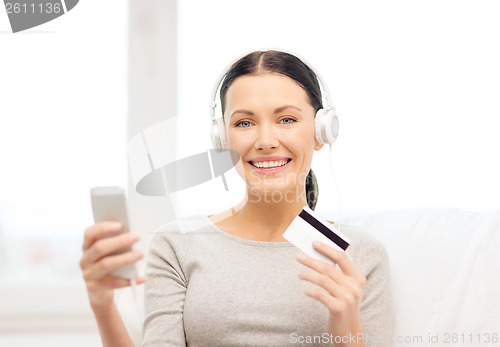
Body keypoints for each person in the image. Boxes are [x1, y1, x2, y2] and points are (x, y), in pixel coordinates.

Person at [80, 50, 393, 347]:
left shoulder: (359, 254)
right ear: (221, 138)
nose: (266, 141)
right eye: (245, 123)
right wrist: (102, 305)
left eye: (286, 120)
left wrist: (346, 328)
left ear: (321, 131)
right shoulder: (176, 244)